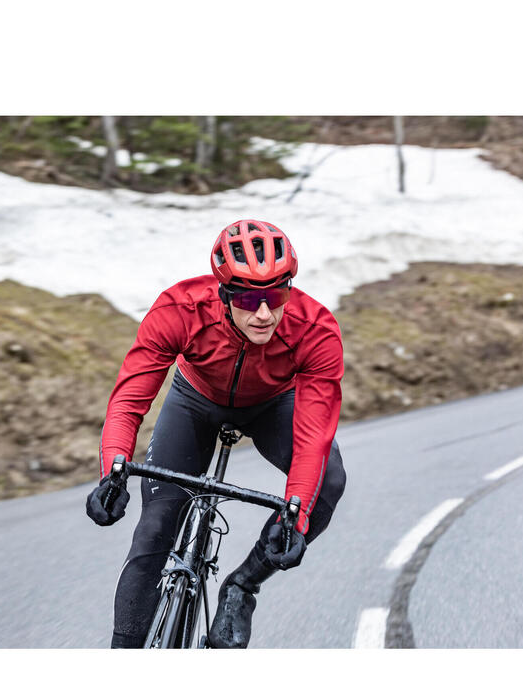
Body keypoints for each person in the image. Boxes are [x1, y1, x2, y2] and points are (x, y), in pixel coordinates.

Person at [86, 219, 346, 648]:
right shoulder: (179, 309)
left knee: (328, 482)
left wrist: (295, 517)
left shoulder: (315, 329)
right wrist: (112, 469)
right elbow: (129, 399)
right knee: (155, 529)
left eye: (276, 295)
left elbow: (313, 438)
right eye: (247, 297)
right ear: (222, 292)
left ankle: (242, 587)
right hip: (196, 400)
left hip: (273, 404)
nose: (264, 313)